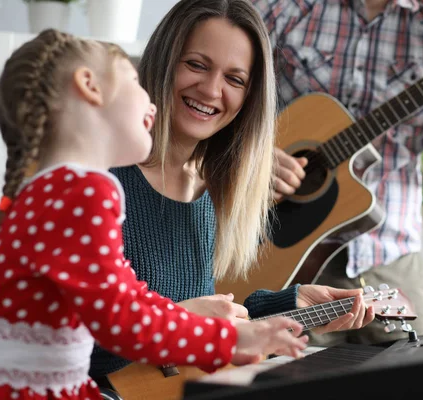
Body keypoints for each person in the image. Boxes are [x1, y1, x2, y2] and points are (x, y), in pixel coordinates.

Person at [0, 29, 309, 400]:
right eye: (135, 81)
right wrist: (227, 340)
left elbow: (131, 298)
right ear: (90, 85)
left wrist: (244, 329)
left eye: (235, 79)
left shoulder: (47, 190)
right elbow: (121, 319)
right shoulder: (87, 191)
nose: (150, 104)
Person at [89, 0, 376, 382]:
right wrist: (180, 319)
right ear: (162, 60)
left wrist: (295, 304)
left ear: (249, 99)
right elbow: (70, 343)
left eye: (235, 80)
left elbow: (209, 331)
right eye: (196, 65)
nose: (211, 90)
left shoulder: (209, 194)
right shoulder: (100, 180)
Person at [253, 0, 423, 345]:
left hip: (390, 259)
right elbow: (221, 105)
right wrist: (255, 158)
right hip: (276, 254)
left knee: (421, 380)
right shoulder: (280, 6)